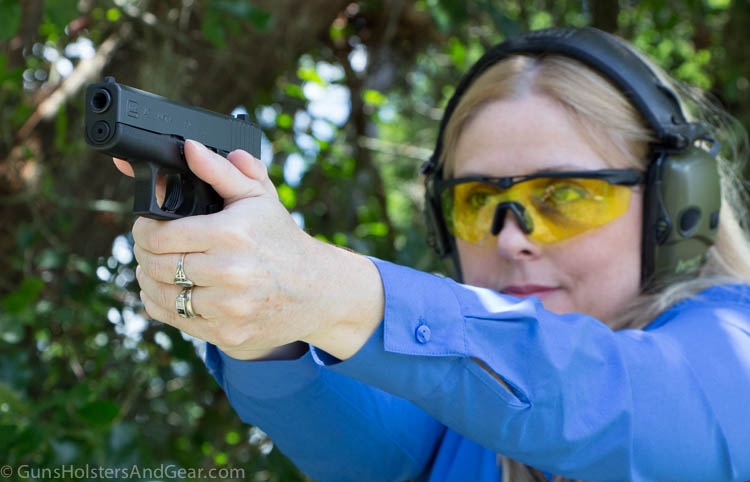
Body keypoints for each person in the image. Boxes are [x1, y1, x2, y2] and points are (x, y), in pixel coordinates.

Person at [116, 27, 750, 481]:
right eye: (476, 201)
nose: (508, 237)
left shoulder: (733, 346)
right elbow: (335, 428)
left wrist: (323, 286)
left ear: (676, 205)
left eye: (564, 195)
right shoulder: (455, 416)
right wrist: (258, 320)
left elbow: (624, 406)